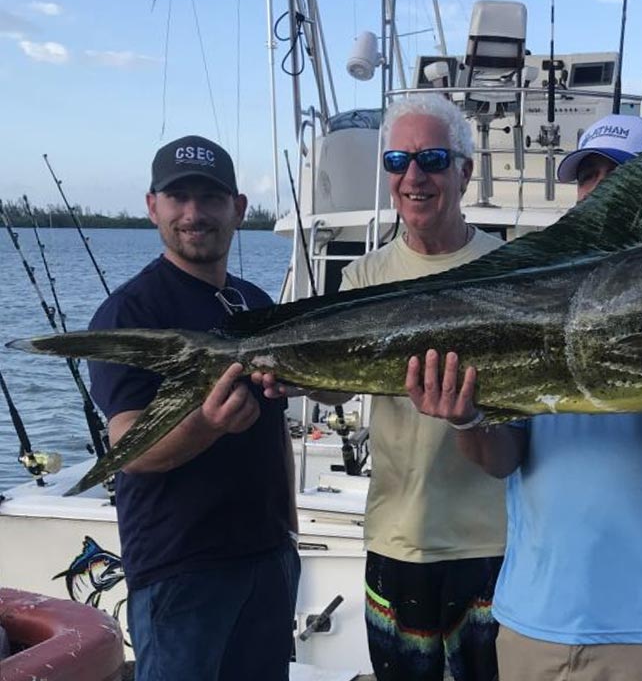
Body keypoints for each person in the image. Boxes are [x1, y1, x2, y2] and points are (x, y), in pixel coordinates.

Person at [408, 113, 642, 681]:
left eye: (620, 176)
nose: (598, 192)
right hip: (533, 623)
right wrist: (467, 422)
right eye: (588, 176)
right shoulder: (533, 293)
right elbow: (504, 458)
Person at [264, 94, 507, 681]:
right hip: (397, 538)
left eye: (432, 159)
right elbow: (334, 391)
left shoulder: (509, 268)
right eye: (397, 160)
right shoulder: (363, 277)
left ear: (465, 171)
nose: (413, 176)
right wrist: (295, 376)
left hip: (494, 543)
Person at [87, 136, 299, 681]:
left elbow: (276, 429)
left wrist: (288, 533)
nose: (193, 214)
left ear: (239, 209)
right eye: (178, 197)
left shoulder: (256, 304)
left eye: (209, 197)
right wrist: (206, 424)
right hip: (181, 570)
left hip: (268, 559)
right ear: (152, 205)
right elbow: (129, 446)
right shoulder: (129, 313)